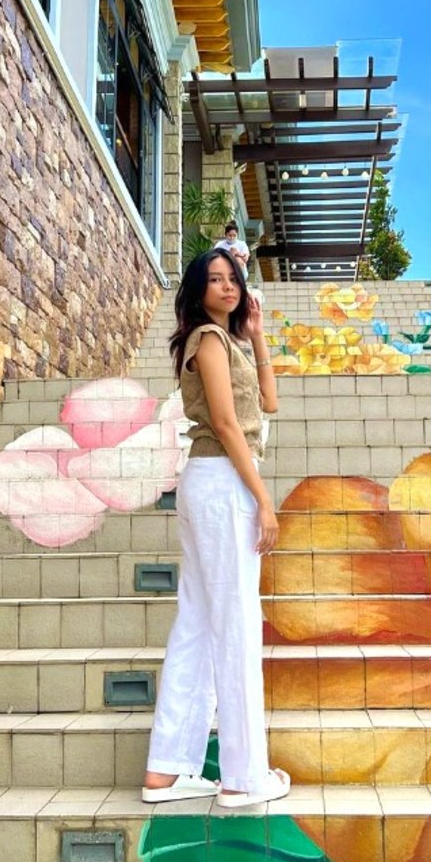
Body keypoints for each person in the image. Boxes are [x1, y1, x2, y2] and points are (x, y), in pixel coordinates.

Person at [142, 248, 290, 809]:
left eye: (234, 278)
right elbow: (227, 424)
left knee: (200, 623)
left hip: (215, 483)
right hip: (222, 479)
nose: (227, 287)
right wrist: (263, 498)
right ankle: (243, 776)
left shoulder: (228, 342)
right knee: (235, 624)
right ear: (198, 290)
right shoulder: (205, 340)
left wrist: (256, 334)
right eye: (215, 279)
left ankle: (166, 769)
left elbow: (268, 403)